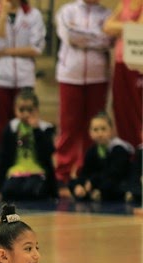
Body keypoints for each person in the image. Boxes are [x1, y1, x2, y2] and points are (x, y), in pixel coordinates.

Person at [54, 0, 113, 197]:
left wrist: (84, 36)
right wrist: (97, 36)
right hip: (70, 75)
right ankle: (63, 173)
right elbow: (70, 36)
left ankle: (88, 174)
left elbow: (109, 40)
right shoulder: (67, 11)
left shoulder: (107, 14)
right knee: (69, 126)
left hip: (98, 76)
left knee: (94, 129)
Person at [0, 0, 46, 170]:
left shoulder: (34, 15)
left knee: (25, 126)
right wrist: (3, 16)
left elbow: (36, 48)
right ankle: (1, 171)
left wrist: (6, 52)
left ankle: (25, 167)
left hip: (24, 79)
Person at [0, 88, 58, 201]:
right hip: (16, 172)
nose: (26, 114)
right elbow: (3, 157)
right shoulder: (11, 128)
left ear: (37, 110)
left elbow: (47, 153)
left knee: (31, 190)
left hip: (38, 172)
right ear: (15, 110)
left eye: (30, 110)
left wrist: (36, 130)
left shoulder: (45, 128)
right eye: (21, 110)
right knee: (9, 192)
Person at [103, 0, 143, 148]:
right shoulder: (125, 2)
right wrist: (129, 27)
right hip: (121, 61)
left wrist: (120, 27)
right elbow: (107, 26)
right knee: (121, 107)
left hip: (138, 63)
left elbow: (140, 30)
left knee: (137, 108)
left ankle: (140, 149)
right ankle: (127, 148)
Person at [70, 113, 135, 201]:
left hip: (118, 183)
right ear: (90, 132)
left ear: (111, 130)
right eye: (95, 130)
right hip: (97, 184)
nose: (100, 133)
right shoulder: (91, 151)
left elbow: (115, 173)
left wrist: (93, 182)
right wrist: (79, 186)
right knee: (73, 184)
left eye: (103, 129)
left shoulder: (119, 149)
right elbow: (85, 173)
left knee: (111, 185)